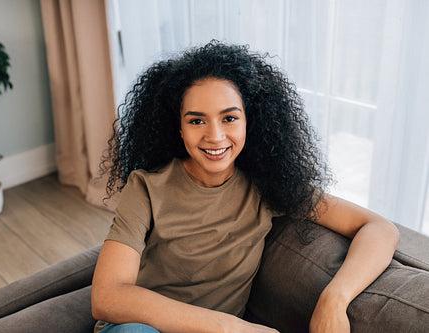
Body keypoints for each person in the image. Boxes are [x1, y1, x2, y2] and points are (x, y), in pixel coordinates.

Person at [91, 41, 399, 333]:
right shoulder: (146, 186)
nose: (214, 136)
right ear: (179, 128)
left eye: (229, 118)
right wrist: (232, 327)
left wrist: (335, 299)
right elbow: (106, 297)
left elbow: (379, 228)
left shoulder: (267, 186)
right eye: (197, 121)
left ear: (250, 121)